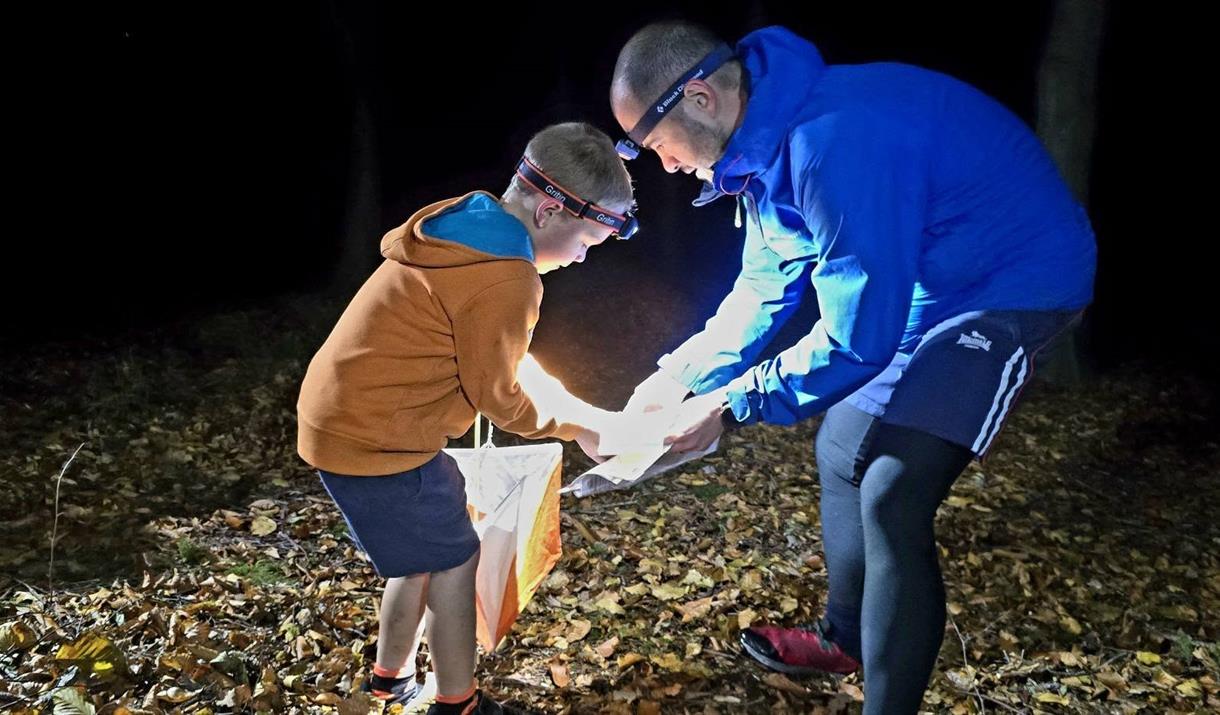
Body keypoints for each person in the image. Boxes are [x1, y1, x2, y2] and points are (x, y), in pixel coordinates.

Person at [610, 21, 1095, 713]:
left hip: (1015, 282)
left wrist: (730, 402)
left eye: (655, 144)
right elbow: (765, 285)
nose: (661, 165)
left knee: (894, 492)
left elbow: (858, 337)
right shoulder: (762, 151)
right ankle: (844, 637)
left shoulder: (831, 142)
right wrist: (679, 376)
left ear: (699, 98)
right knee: (842, 445)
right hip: (926, 280)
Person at [297, 122, 637, 713]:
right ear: (551, 211)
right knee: (455, 558)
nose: (583, 257)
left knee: (419, 557)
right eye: (587, 241)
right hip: (379, 439)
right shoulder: (507, 278)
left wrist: (581, 411)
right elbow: (500, 396)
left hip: (345, 419)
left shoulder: (472, 228)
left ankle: (390, 678)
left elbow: (499, 362)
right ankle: (458, 702)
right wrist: (581, 429)